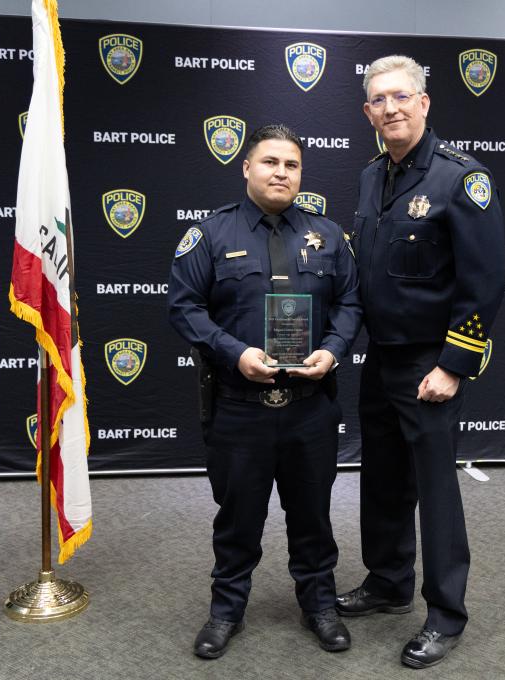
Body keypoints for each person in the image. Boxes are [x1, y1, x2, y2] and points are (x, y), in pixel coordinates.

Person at [336, 55, 505, 669]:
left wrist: (454, 365)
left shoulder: (462, 178)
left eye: (402, 97)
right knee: (382, 477)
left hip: (430, 363)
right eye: (379, 100)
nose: (392, 108)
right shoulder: (368, 177)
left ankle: (445, 614)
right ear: (368, 112)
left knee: (434, 489)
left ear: (425, 103)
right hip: (380, 357)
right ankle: (386, 582)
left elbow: (485, 281)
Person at [168, 124, 362, 659]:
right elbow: (183, 308)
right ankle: (226, 610)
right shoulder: (210, 235)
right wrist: (235, 352)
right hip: (239, 409)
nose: (281, 173)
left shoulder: (328, 234)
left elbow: (350, 302)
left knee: (314, 516)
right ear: (247, 168)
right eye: (270, 162)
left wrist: (335, 348)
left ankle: (319, 604)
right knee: (237, 518)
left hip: (309, 407)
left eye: (292, 165)